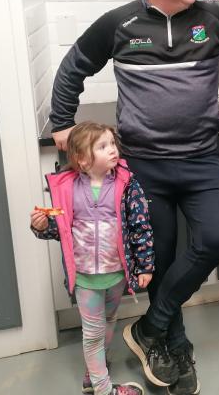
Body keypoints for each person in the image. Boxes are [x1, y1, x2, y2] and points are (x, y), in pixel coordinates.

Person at [49, 0, 219, 395]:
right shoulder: (120, 24)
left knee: (215, 239)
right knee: (162, 256)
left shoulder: (214, 19)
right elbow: (73, 68)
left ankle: (151, 325)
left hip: (202, 158)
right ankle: (172, 343)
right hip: (144, 165)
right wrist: (61, 123)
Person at [31, 122, 154, 395]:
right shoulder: (68, 189)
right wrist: (41, 227)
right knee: (92, 332)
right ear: (82, 159)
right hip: (85, 277)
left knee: (109, 320)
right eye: (102, 146)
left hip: (116, 273)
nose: (113, 150)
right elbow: (60, 230)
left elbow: (140, 226)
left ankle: (92, 374)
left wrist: (145, 265)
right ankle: (103, 388)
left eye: (112, 143)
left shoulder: (127, 184)